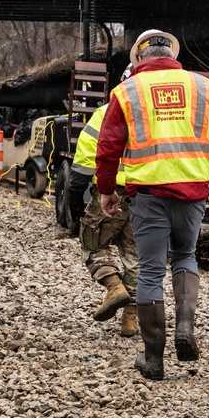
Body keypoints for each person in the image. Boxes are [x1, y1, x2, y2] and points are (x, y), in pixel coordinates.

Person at [95, 29, 209, 380]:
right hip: (192, 192)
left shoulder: (127, 91)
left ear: (139, 58)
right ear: (173, 56)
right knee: (186, 256)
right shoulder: (202, 87)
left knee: (150, 270)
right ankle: (185, 328)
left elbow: (108, 146)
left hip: (149, 195)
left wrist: (106, 190)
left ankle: (153, 357)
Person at [67, 63, 139, 337]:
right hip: (145, 197)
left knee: (92, 245)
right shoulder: (159, 118)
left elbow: (82, 169)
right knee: (135, 258)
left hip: (110, 195)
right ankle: (130, 320)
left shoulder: (103, 114)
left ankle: (114, 286)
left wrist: (76, 207)